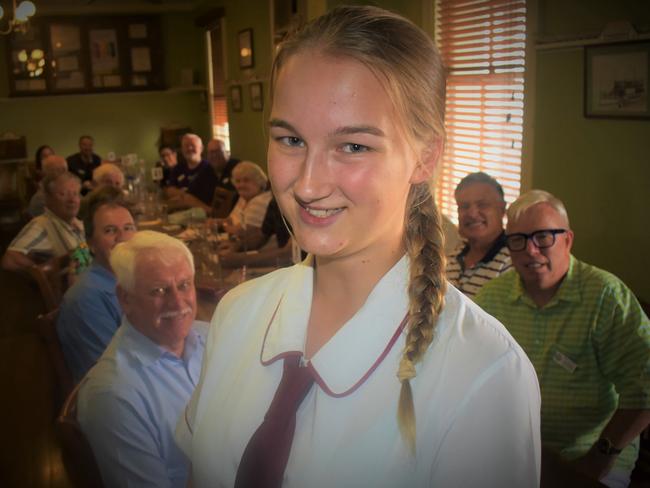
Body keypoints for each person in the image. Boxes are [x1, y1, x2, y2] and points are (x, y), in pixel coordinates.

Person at [176, 7, 541, 488]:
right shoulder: (237, 315)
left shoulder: (485, 377)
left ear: (425, 155)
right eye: (290, 139)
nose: (307, 184)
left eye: (353, 147)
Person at [475, 190, 650, 488]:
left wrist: (600, 457)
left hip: (589, 456)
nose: (530, 250)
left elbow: (645, 385)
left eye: (543, 237)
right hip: (513, 451)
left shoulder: (606, 297)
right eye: (517, 240)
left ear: (568, 239)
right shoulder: (492, 298)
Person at [77, 230, 207, 488]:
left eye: (184, 285)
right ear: (125, 298)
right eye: (159, 290)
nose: (178, 302)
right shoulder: (113, 396)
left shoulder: (212, 336)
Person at [56, 187, 136, 383]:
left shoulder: (128, 281)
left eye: (128, 227)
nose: (123, 237)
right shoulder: (86, 299)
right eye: (110, 230)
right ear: (91, 243)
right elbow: (114, 376)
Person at [445, 172, 511, 298]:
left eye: (482, 205)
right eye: (464, 206)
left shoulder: (511, 261)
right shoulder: (454, 255)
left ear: (502, 209)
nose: (472, 214)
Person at [2, 172, 85, 272]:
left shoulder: (78, 223)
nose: (72, 200)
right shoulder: (42, 225)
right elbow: (10, 260)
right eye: (63, 194)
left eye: (75, 193)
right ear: (48, 199)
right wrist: (43, 275)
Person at [221, 161, 272, 238]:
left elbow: (242, 232)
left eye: (246, 180)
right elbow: (231, 220)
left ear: (259, 181)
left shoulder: (260, 201)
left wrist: (223, 226)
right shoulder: (243, 197)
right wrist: (216, 222)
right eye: (238, 181)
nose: (241, 185)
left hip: (251, 248)